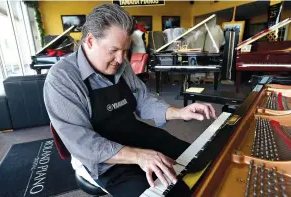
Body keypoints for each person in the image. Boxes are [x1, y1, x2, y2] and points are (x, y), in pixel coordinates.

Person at [44, 4, 217, 197]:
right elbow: (82, 143)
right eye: (114, 50)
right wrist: (138, 155)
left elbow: (142, 100)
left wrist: (179, 112)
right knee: (172, 193)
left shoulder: (121, 64)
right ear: (91, 41)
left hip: (132, 133)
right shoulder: (62, 78)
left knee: (202, 161)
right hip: (100, 159)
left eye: (126, 50)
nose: (121, 59)